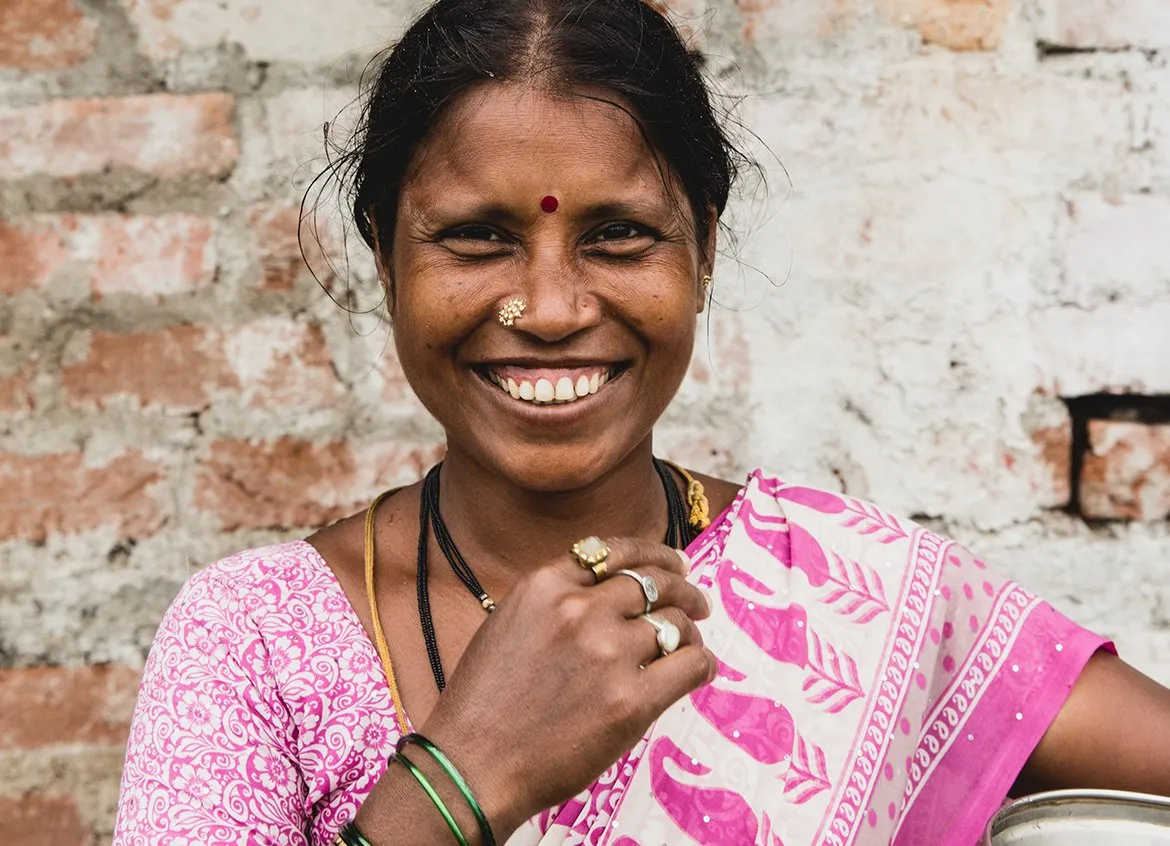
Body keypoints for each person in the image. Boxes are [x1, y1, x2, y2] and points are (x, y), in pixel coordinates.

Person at [112, 0, 1170, 844]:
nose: (555, 307)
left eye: (620, 236)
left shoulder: (850, 596)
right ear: (386, 259)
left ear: (702, 253)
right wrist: (461, 782)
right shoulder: (253, 642)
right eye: (476, 239)